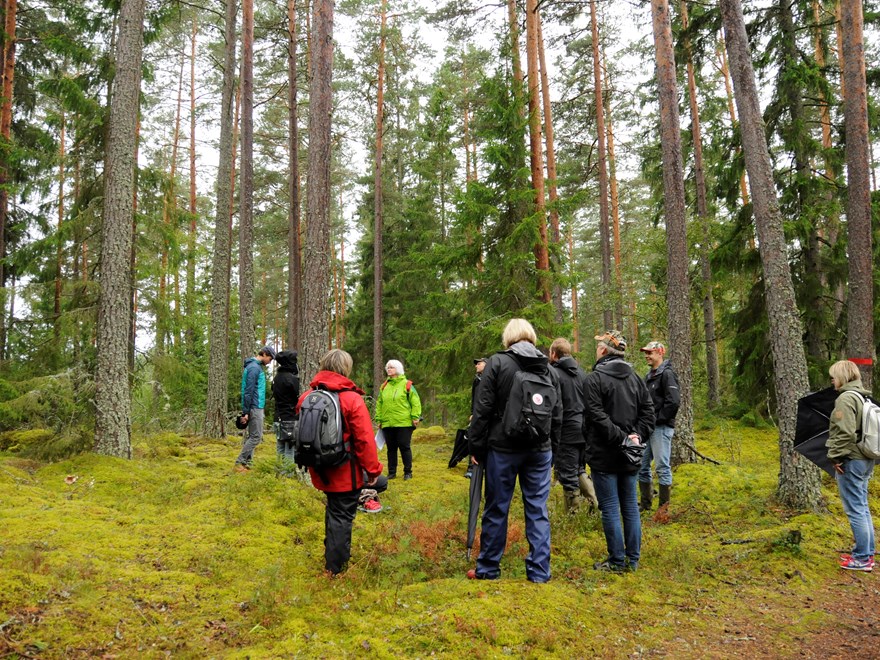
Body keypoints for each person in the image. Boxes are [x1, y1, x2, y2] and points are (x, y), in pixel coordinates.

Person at [467, 318, 562, 583]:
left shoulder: (497, 363)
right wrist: (553, 448)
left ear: (508, 338)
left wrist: (475, 446)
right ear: (530, 336)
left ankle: (488, 568)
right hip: (540, 450)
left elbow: (482, 409)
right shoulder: (548, 368)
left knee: (497, 507)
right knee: (537, 509)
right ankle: (540, 571)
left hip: (503, 448)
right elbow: (557, 414)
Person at [296, 349, 386, 575]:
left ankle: (332, 557)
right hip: (345, 471)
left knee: (334, 510)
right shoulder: (351, 399)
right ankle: (335, 568)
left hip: (319, 467)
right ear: (346, 369)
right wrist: (372, 470)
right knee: (341, 516)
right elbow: (365, 439)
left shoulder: (307, 397)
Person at [584, 331, 654, 572]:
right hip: (630, 454)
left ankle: (617, 562)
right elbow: (648, 414)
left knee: (612, 508)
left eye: (598, 347)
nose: (596, 350)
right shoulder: (636, 378)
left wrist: (625, 438)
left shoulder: (594, 379)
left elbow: (595, 416)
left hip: (606, 455)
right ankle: (631, 561)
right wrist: (635, 437)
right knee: (630, 507)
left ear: (604, 350)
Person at [827, 359, 876, 572]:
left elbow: (845, 432)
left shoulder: (846, 399)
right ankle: (866, 553)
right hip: (865, 458)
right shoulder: (862, 396)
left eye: (833, 376)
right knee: (862, 507)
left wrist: (835, 457)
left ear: (842, 377)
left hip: (851, 460)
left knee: (855, 509)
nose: (832, 380)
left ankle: (863, 558)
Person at [549, 338, 592, 513]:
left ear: (553, 354)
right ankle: (594, 504)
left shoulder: (553, 373)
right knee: (579, 469)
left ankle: (571, 516)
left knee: (568, 474)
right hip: (582, 430)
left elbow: (553, 405)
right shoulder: (581, 373)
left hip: (566, 430)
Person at [637, 341, 680, 512]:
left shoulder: (667, 374)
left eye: (650, 352)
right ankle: (646, 505)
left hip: (661, 429)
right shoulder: (649, 376)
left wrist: (658, 419)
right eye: (646, 352)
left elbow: (674, 402)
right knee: (642, 465)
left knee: (662, 467)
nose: (647, 355)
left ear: (660, 353)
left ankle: (663, 509)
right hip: (648, 428)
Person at [375, 359, 422, 480]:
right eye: (388, 367)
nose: (389, 369)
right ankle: (392, 472)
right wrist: (379, 419)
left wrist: (415, 417)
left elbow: (415, 402)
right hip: (388, 423)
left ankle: (408, 472)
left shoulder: (407, 385)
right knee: (391, 449)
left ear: (398, 369)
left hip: (404, 423)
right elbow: (379, 403)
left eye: (392, 367)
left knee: (404, 446)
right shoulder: (384, 386)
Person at [234, 345, 275, 472]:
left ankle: (248, 464)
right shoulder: (254, 368)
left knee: (252, 435)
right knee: (256, 437)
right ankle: (239, 462)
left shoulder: (255, 367)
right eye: (270, 358)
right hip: (254, 406)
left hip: (256, 405)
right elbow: (248, 391)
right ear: (263, 354)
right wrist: (246, 412)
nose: (270, 361)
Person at [271, 350, 300, 462]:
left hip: (278, 418)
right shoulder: (291, 379)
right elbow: (298, 397)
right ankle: (287, 475)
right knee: (290, 449)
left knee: (280, 447)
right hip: (289, 419)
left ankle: (280, 475)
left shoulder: (276, 378)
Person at [464, 357, 488, 479]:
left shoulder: (491, 379)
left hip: (487, 415)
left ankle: (484, 467)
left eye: (479, 364)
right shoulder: (476, 380)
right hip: (476, 415)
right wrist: (472, 412)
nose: (476, 366)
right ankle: (471, 468)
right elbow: (474, 399)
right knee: (473, 437)